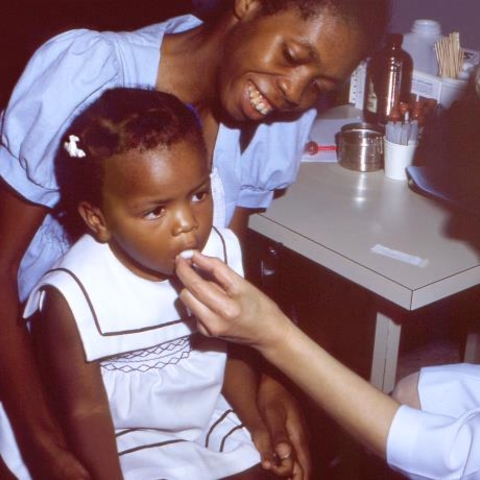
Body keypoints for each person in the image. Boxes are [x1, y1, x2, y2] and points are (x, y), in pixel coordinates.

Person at [0, 0, 390, 477]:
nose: (294, 91)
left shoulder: (276, 119)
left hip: (171, 368)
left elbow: (224, 279)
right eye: (291, 55)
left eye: (319, 85)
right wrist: (42, 444)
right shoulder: (88, 73)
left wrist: (263, 380)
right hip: (34, 369)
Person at [19, 86, 298, 479]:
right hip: (120, 434)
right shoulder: (73, 295)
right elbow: (86, 409)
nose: (188, 223)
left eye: (198, 194)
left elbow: (234, 351)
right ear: (98, 219)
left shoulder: (218, 252)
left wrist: (254, 425)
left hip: (205, 409)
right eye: (156, 211)